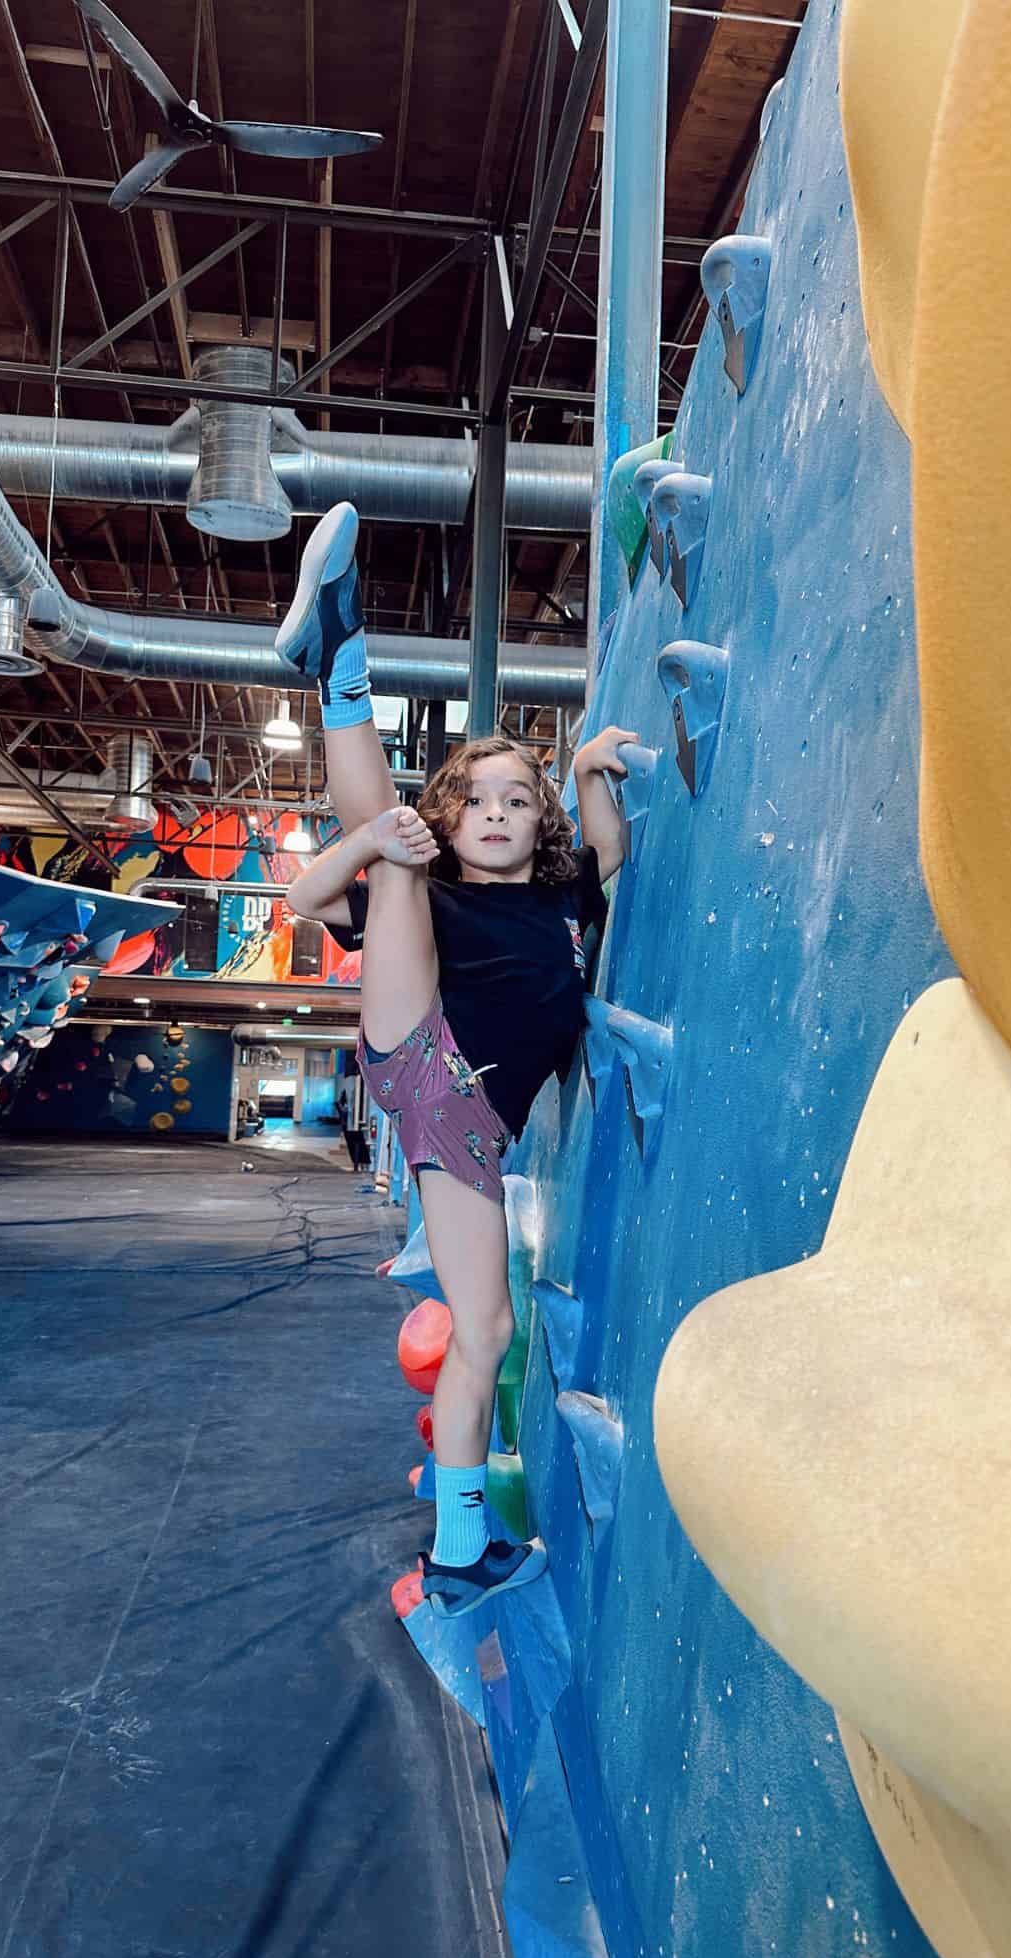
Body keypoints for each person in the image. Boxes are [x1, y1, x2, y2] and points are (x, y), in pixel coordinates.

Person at [282, 502, 637, 1617]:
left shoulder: (556, 903)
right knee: (390, 860)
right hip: (425, 1057)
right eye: (476, 797)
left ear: (539, 826)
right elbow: (303, 896)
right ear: (454, 810)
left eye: (516, 799)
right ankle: (340, 665)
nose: (496, 811)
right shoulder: (434, 882)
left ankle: (458, 1543)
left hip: (469, 1128)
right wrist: (377, 839)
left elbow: (612, 867)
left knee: (485, 1328)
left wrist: (583, 771)